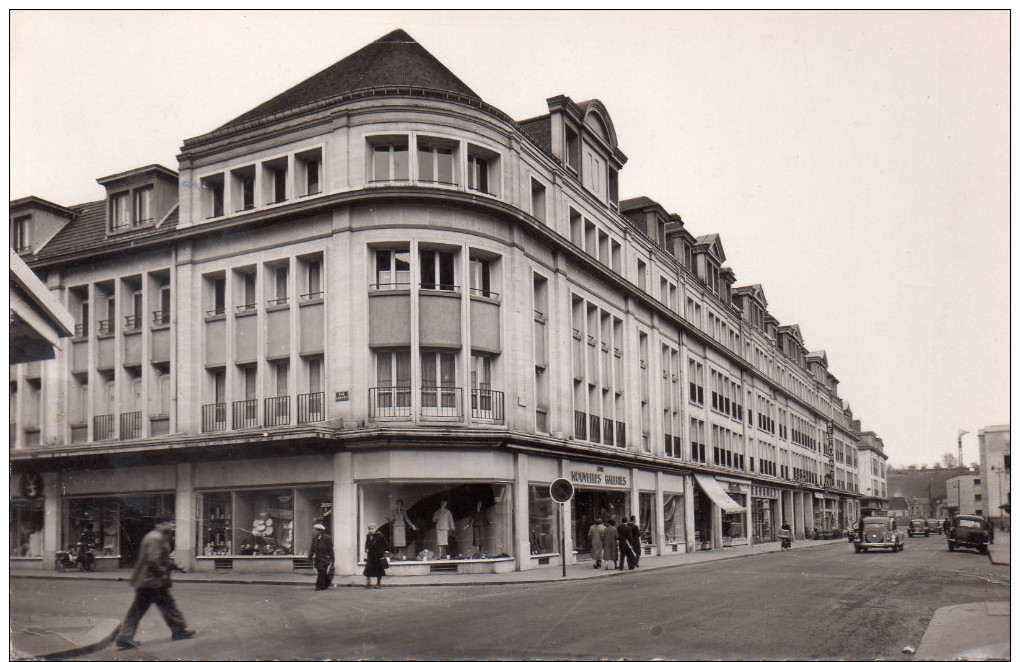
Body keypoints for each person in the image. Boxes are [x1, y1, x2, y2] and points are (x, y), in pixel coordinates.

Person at [115, 514, 195, 650]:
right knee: (159, 605)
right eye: (168, 523)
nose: (171, 525)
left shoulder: (159, 537)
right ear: (159, 524)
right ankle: (179, 630)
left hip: (150, 580)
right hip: (151, 580)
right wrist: (163, 574)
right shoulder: (155, 538)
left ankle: (126, 636)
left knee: (161, 605)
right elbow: (153, 560)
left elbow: (161, 558)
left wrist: (176, 566)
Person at [307, 521, 334, 591]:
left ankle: (318, 586)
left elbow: (330, 549)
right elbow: (312, 548)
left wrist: (333, 559)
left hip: (325, 558)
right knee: (321, 572)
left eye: (316, 530)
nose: (314, 531)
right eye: (315, 530)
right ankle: (325, 584)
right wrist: (309, 558)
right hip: (318, 558)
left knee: (322, 572)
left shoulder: (327, 538)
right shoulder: (314, 539)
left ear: (320, 531)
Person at [363, 523, 389, 589]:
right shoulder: (368, 536)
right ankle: (368, 584)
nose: (371, 530)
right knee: (368, 569)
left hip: (378, 556)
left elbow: (386, 545)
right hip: (370, 556)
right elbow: (366, 543)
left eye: (372, 529)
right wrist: (366, 549)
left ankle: (378, 584)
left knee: (379, 570)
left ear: (375, 529)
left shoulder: (380, 536)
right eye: (369, 529)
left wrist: (381, 552)